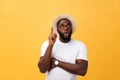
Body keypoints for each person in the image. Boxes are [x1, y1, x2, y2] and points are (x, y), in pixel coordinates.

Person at [38, 14, 88, 80]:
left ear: (71, 28)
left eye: (68, 25)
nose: (65, 28)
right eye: (62, 26)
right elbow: (42, 69)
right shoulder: (47, 44)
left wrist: (57, 63)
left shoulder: (80, 46)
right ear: (57, 29)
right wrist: (50, 46)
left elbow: (82, 70)